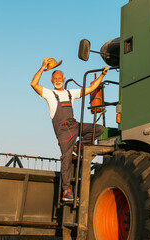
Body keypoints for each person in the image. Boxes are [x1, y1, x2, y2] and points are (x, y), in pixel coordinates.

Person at [31, 58, 109, 201]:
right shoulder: (49, 94)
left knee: (98, 129)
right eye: (55, 78)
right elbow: (33, 84)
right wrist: (42, 67)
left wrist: (103, 75)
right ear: (51, 81)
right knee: (66, 158)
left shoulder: (70, 93)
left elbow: (90, 89)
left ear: (64, 79)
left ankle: (78, 147)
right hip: (63, 132)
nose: (58, 80)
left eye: (60, 78)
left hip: (74, 125)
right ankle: (66, 191)